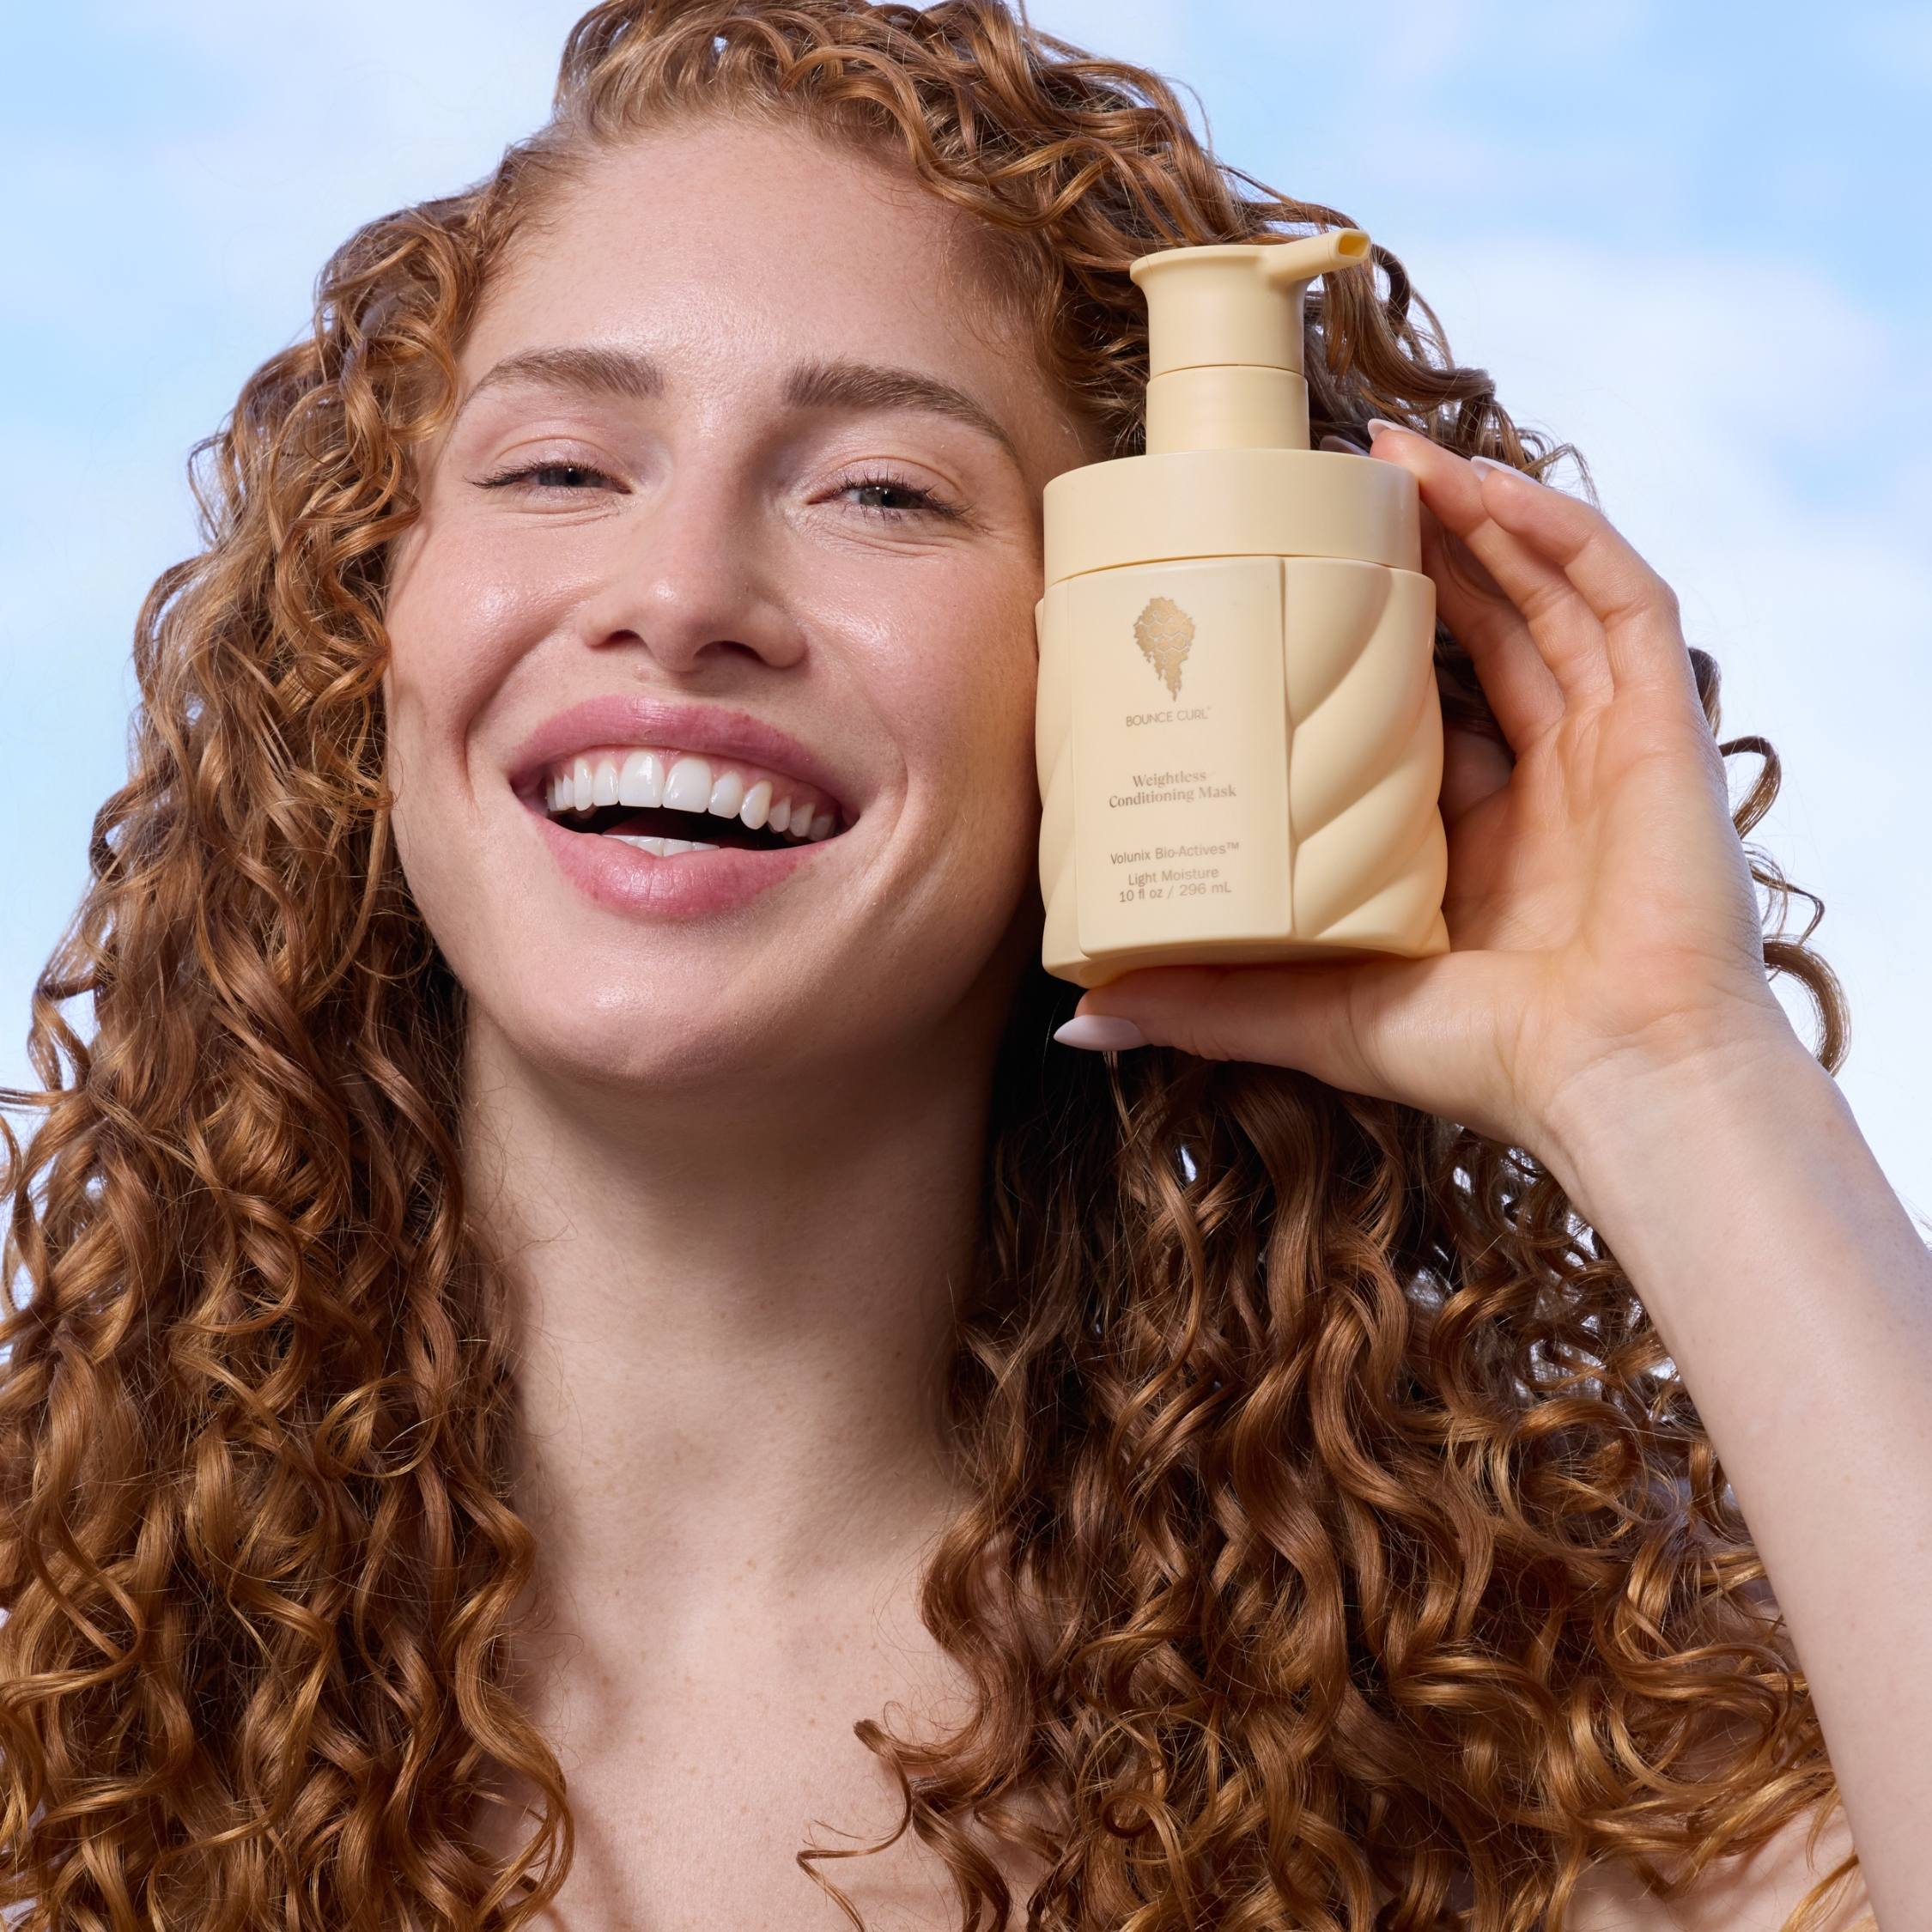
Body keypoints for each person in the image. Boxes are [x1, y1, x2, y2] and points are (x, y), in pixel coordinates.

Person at [1, 3, 1923, 1928]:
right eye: (563, 467)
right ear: (370, 632)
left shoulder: (1553, 1772)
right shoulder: (41, 1668)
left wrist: (1673, 1065)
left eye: (883, 494)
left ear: (1128, 668)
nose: (677, 598)